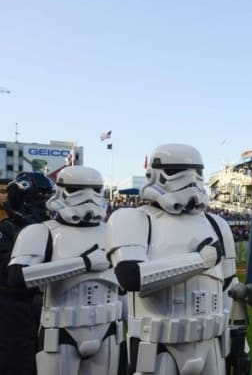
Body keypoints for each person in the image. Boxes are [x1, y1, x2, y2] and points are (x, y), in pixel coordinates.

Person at [105, 143, 237, 375]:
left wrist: (238, 339)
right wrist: (199, 261)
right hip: (156, 344)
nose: (192, 180)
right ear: (154, 174)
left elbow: (229, 289)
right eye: (177, 171)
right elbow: (131, 277)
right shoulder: (132, 219)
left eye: (198, 172)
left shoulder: (217, 224)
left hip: (211, 343)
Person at [8, 166, 122, 375]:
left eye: (95, 190)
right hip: (60, 329)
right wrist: (83, 263)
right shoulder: (42, 232)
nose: (88, 198)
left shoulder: (112, 231)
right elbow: (18, 276)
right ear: (60, 191)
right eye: (77, 189)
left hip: (108, 327)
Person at [0, 172, 54, 375]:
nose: (44, 204)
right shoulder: (7, 230)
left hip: (41, 309)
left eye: (46, 199)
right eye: (38, 198)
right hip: (12, 311)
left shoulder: (50, 231)